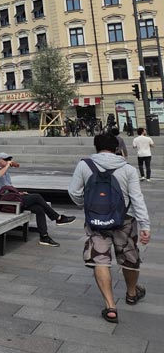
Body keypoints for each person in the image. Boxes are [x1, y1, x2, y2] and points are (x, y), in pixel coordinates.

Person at [68, 132, 150, 323]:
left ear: (96, 147)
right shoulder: (128, 168)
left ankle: (110, 306)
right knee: (129, 258)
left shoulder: (84, 165)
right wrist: (145, 224)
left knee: (100, 260)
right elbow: (137, 198)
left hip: (96, 221)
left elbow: (73, 191)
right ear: (116, 148)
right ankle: (131, 293)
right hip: (125, 220)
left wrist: (86, 205)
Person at [0, 152, 75, 246]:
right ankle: (58, 218)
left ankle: (44, 237)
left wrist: (18, 193)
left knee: (39, 209)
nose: (8, 161)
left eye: (9, 159)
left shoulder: (5, 170)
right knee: (37, 196)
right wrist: (7, 166)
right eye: (6, 160)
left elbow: (9, 187)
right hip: (5, 202)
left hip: (13, 198)